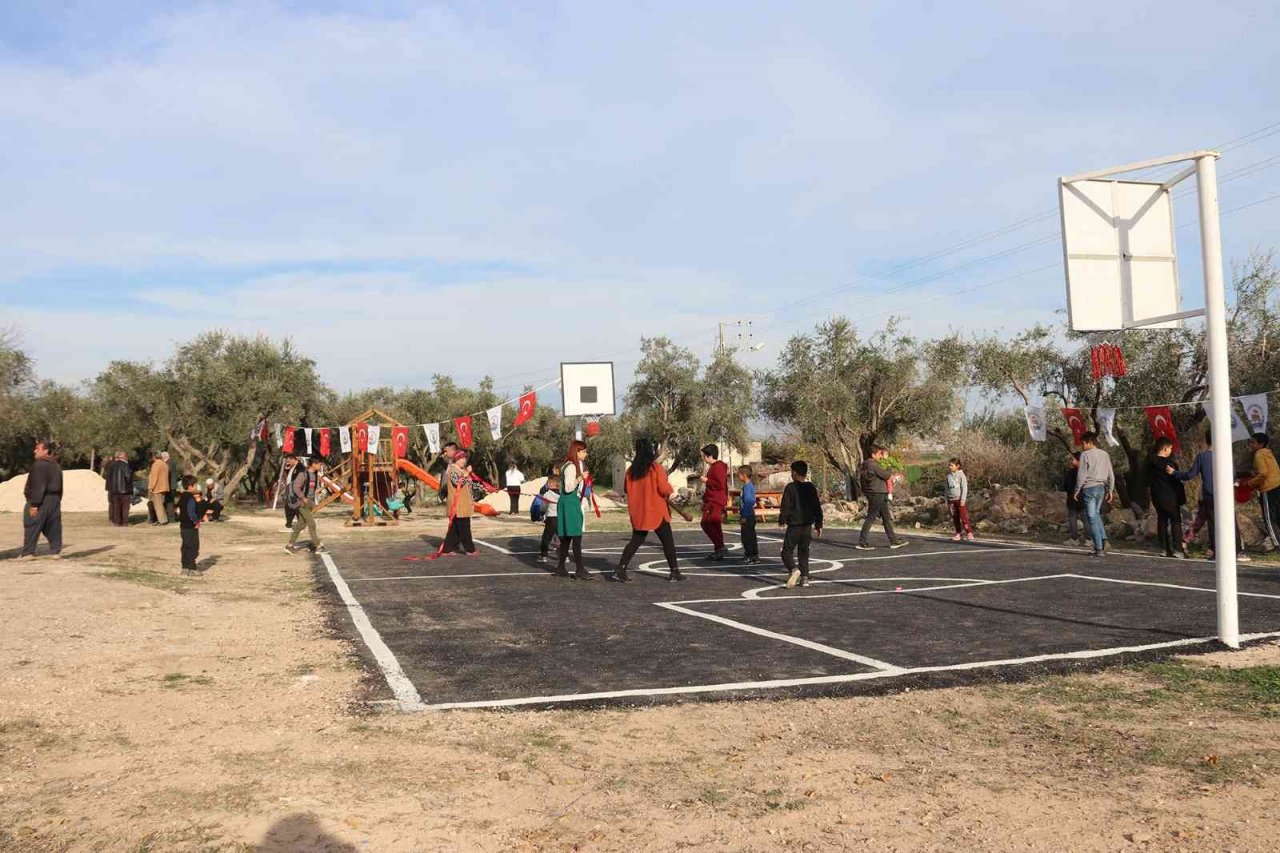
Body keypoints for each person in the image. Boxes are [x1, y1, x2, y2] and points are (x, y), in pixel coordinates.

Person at [616, 438, 684, 583]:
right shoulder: (655, 468)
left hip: (639, 512)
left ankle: (620, 568)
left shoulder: (630, 471)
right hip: (656, 511)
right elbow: (664, 488)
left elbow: (626, 489)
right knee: (667, 542)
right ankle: (674, 571)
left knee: (635, 541)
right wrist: (673, 494)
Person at [1177, 431, 1249, 562]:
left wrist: (1175, 473)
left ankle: (1217, 552)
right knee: (1231, 522)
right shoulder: (1226, 456)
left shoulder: (1202, 457)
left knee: (1213, 524)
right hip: (1226, 494)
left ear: (1207, 440)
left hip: (1210, 495)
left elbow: (1190, 474)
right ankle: (1238, 551)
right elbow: (1233, 475)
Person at [779, 460, 824, 589]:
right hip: (807, 526)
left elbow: (785, 506)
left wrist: (782, 520)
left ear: (794, 472)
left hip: (794, 526)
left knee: (786, 552)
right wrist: (819, 524)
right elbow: (817, 506)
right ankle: (805, 578)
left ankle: (794, 569)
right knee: (804, 552)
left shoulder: (790, 487)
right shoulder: (810, 487)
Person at [1074, 432, 1116, 557]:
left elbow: (1082, 475)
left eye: (1083, 443)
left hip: (1089, 488)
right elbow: (1111, 474)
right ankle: (1104, 540)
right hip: (1101, 488)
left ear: (1089, 442)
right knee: (1096, 515)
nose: (1082, 446)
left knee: (1091, 518)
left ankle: (1098, 548)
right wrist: (1111, 490)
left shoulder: (1085, 455)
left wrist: (1077, 490)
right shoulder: (1105, 454)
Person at [857, 446, 907, 551]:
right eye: (879, 454)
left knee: (886, 517)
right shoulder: (873, 465)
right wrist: (889, 466)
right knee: (871, 517)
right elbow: (886, 475)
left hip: (876, 493)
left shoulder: (865, 465)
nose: (881, 456)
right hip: (877, 493)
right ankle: (862, 542)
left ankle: (893, 540)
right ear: (873, 454)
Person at [20, 439, 63, 560]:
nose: (34, 451)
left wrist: (34, 504)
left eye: (37, 448)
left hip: (41, 499)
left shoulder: (40, 465)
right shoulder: (56, 465)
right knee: (53, 525)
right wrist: (57, 500)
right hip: (54, 499)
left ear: (46, 450)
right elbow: (60, 486)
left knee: (32, 523)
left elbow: (38, 486)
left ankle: (28, 552)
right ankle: (55, 551)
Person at [555, 440, 591, 580]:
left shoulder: (566, 465)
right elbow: (569, 487)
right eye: (583, 451)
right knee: (576, 536)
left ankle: (561, 568)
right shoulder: (571, 467)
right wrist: (580, 478)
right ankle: (580, 569)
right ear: (577, 452)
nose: (585, 454)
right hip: (570, 502)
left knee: (566, 538)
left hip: (566, 502)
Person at [1148, 438, 1187, 558]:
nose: (1170, 451)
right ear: (1165, 449)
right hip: (1170, 497)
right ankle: (1178, 549)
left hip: (1156, 496)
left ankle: (1164, 548)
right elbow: (1176, 481)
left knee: (1162, 520)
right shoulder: (1169, 464)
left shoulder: (1150, 463)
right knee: (1175, 522)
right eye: (1170, 449)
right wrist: (1181, 498)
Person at [439, 450, 479, 556]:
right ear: (456, 459)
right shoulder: (453, 470)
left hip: (464, 503)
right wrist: (467, 473)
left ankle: (447, 549)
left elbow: (467, 485)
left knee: (455, 529)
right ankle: (469, 549)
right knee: (465, 528)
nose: (464, 461)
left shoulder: (461, 470)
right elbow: (458, 483)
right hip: (458, 505)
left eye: (465, 458)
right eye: (461, 458)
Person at [285, 458, 327, 555]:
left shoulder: (315, 475)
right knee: (312, 524)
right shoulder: (302, 474)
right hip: (302, 504)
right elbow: (295, 487)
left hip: (309, 503)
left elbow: (312, 488)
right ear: (313, 464)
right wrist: (302, 497)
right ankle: (317, 546)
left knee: (300, 525)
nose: (321, 467)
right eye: (319, 464)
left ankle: (289, 546)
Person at [1245, 432, 1280, 549]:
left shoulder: (1259, 454)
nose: (1250, 444)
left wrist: (1250, 483)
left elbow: (1263, 473)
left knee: (1269, 518)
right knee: (1277, 516)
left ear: (1261, 444)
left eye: (1253, 442)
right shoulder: (1268, 453)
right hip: (1277, 486)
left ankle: (1276, 543)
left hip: (1268, 489)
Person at [699, 444, 729, 562]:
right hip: (711, 499)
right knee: (714, 525)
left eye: (704, 456)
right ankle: (718, 550)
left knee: (707, 522)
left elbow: (720, 484)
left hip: (716, 500)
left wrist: (707, 480)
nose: (703, 458)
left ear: (709, 455)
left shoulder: (718, 467)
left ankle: (720, 546)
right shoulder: (713, 467)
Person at [177, 475, 207, 573]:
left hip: (183, 526)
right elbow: (191, 512)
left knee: (185, 546)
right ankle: (192, 568)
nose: (196, 487)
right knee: (193, 547)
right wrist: (196, 521)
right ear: (190, 486)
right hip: (190, 526)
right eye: (195, 485)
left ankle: (185, 567)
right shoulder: (190, 498)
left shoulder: (182, 497)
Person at [1062, 452, 1090, 547]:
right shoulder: (1088, 472)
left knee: (1073, 518)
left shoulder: (1070, 473)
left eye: (1073, 459)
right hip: (1084, 497)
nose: (1072, 461)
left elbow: (1066, 486)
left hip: (1073, 498)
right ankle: (1088, 539)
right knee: (1085, 518)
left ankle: (1074, 538)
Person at [946, 458, 974, 542]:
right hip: (951, 500)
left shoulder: (961, 475)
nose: (950, 467)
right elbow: (946, 488)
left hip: (959, 499)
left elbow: (964, 487)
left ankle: (969, 533)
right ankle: (958, 533)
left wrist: (963, 499)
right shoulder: (948, 476)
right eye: (949, 465)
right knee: (955, 517)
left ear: (957, 466)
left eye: (952, 465)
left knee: (963, 517)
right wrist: (946, 499)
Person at [737, 465, 759, 564]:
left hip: (748, 516)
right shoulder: (747, 486)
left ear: (744, 475)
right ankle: (752, 555)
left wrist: (744, 516)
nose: (738, 476)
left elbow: (749, 501)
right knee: (750, 535)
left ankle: (751, 555)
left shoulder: (748, 487)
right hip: (748, 515)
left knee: (747, 537)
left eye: (739, 475)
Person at [537, 472, 561, 563]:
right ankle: (565, 556)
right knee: (562, 538)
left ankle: (543, 555)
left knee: (546, 538)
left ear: (551, 484)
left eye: (548, 483)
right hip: (560, 519)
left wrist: (541, 513)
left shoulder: (547, 494)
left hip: (551, 519)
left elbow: (543, 506)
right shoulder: (563, 495)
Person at [104, 451, 132, 527]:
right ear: (124, 457)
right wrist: (130, 487)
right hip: (124, 490)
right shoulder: (126, 465)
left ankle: (117, 522)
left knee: (116, 507)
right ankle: (125, 522)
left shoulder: (112, 465)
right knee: (125, 507)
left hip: (114, 490)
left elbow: (109, 477)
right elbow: (128, 477)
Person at [279, 454, 301, 533]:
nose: (287, 462)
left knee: (297, 508)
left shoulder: (300, 468)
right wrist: (287, 469)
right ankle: (288, 524)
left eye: (288, 461)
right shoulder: (292, 467)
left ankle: (300, 526)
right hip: (290, 489)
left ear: (293, 459)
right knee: (288, 508)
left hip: (296, 490)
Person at [147, 451, 170, 525]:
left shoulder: (156, 464)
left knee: (158, 505)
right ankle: (163, 519)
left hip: (157, 488)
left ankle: (162, 521)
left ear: (154, 457)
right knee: (161, 504)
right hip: (164, 487)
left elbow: (154, 477)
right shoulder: (165, 464)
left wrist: (151, 487)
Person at [162, 451, 179, 525]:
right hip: (171, 486)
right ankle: (170, 518)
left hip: (170, 486)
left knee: (169, 503)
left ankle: (171, 518)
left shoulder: (169, 463)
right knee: (169, 502)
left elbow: (167, 474)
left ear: (164, 457)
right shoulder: (172, 462)